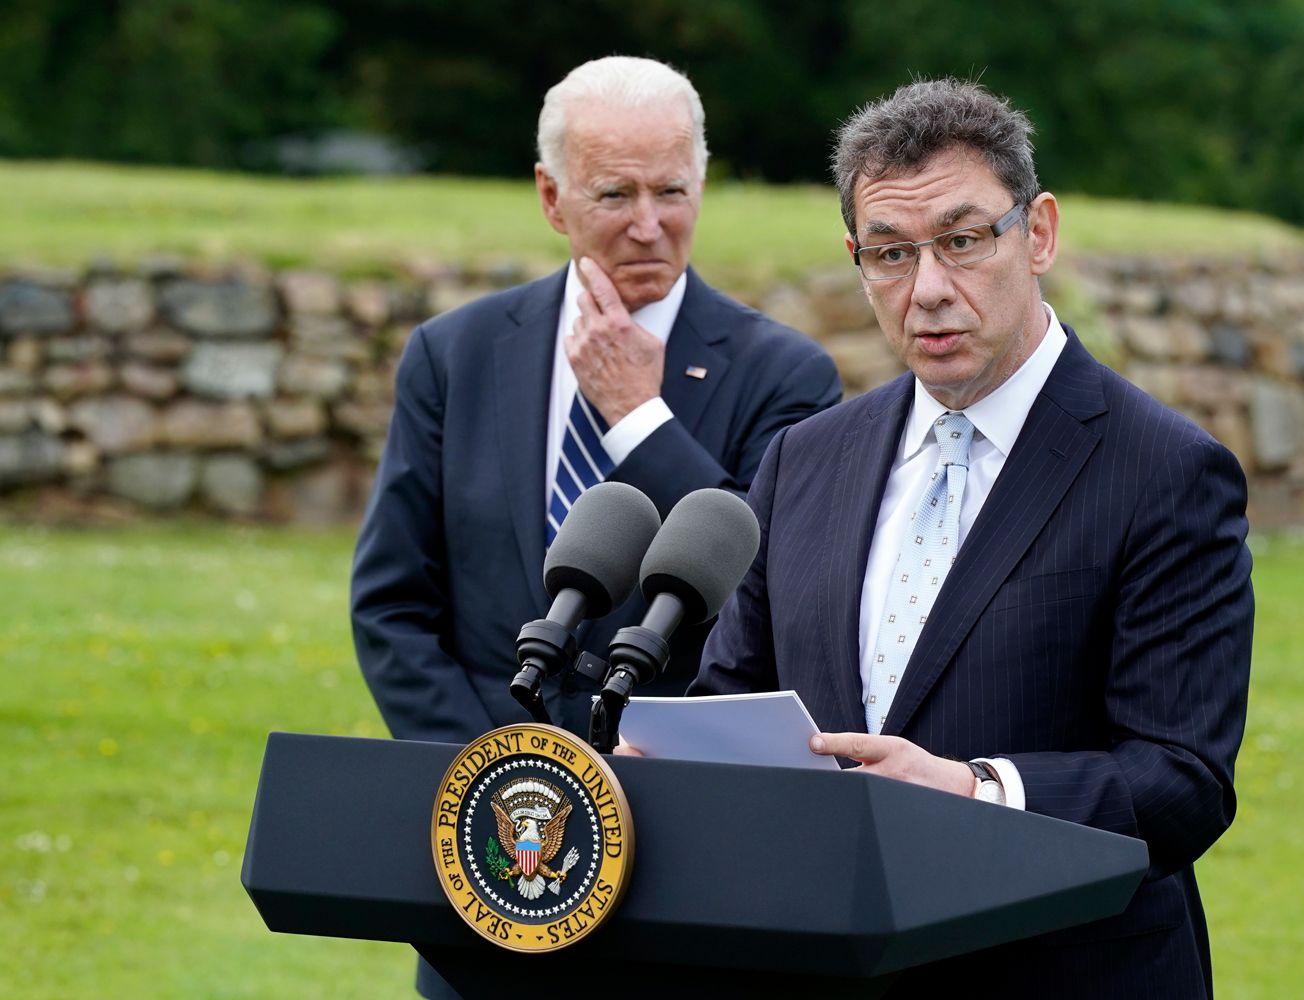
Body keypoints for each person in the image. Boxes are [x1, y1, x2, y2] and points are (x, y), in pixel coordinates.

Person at [690, 79, 1253, 997]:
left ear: (1038, 233)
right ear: (857, 261)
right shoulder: (804, 459)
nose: (928, 291)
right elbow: (734, 697)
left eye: (961, 241)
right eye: (891, 254)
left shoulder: (1167, 471)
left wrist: (975, 791)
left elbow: (1181, 780)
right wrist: (672, 766)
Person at [351, 55, 842, 748]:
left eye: (671, 191)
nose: (648, 224)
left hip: (674, 776)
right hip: (482, 778)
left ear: (701, 186)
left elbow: (772, 591)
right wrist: (480, 768)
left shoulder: (786, 375)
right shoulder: (454, 354)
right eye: (615, 194)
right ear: (552, 197)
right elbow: (393, 605)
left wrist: (638, 418)